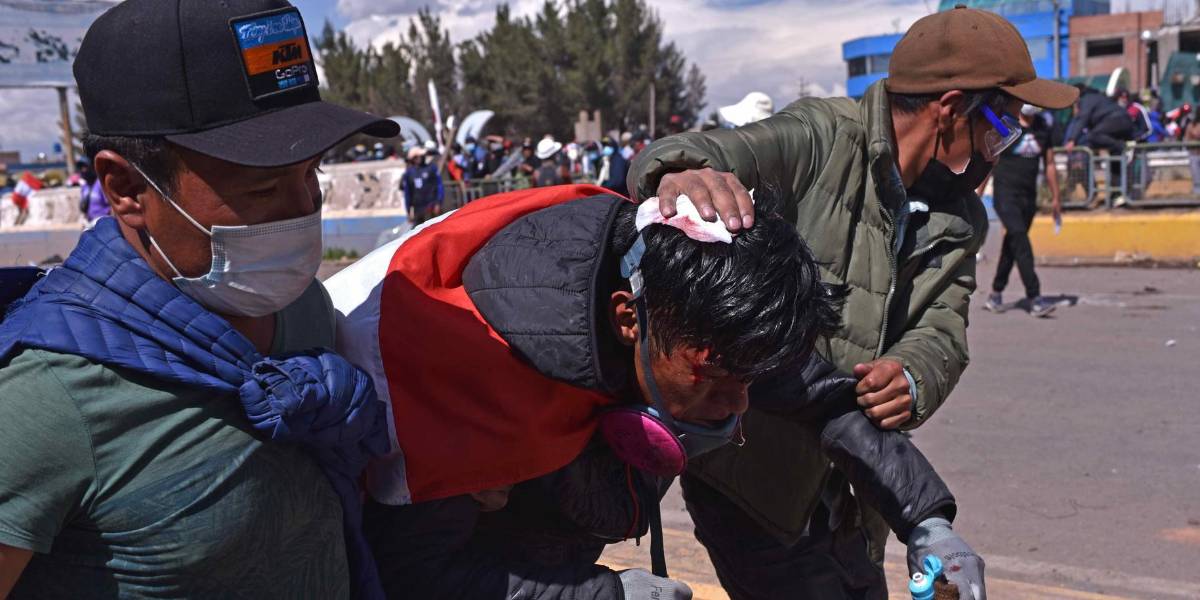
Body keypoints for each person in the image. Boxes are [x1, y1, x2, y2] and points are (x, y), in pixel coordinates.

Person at [325, 185, 981, 600]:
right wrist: (600, 595)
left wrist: (926, 521)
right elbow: (417, 576)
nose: (740, 407)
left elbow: (825, 396)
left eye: (749, 381)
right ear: (626, 319)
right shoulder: (467, 382)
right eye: (720, 381)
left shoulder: (695, 308)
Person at [626, 6, 1078, 598]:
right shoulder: (821, 137)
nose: (1002, 147)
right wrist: (685, 173)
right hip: (754, 483)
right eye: (1002, 127)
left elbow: (942, 329)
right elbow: (698, 152)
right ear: (950, 109)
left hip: (854, 498)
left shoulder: (961, 220)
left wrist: (913, 376)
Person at [0, 1, 398, 597]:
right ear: (128, 188)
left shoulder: (301, 309)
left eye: (311, 173)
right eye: (262, 186)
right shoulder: (46, 400)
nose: (304, 208)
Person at [982, 105, 1060, 317]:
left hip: (1029, 197)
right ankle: (1035, 297)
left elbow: (1050, 163)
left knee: (1013, 244)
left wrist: (1056, 198)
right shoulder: (1006, 125)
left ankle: (995, 294)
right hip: (1005, 195)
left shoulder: (1043, 127)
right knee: (1020, 239)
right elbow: (990, 160)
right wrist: (977, 192)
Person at [1064, 85, 1133, 200]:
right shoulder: (1099, 97)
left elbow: (1083, 119)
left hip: (1115, 121)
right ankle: (1116, 194)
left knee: (1093, 136)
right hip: (1121, 122)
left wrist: (1072, 139)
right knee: (1115, 162)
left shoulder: (1087, 99)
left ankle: (1124, 148)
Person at [403, 145, 444, 225]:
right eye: (416, 157)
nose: (419, 158)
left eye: (420, 156)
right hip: (418, 209)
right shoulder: (409, 173)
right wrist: (408, 211)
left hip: (431, 206)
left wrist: (438, 202)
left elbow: (439, 186)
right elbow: (407, 193)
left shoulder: (431, 168)